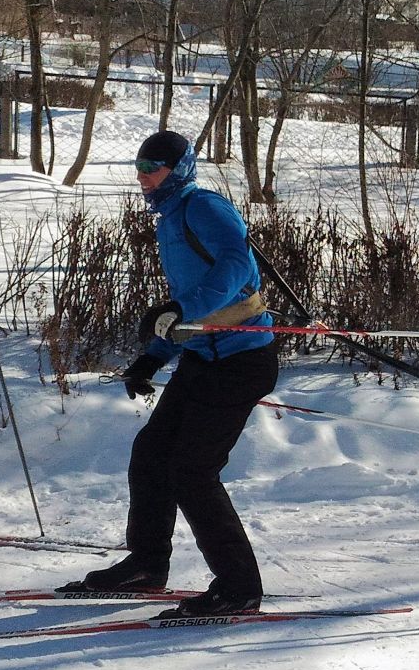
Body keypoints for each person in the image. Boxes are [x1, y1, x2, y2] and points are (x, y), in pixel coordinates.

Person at [64, 130, 278, 618]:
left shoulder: (204, 206)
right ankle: (146, 564)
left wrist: (180, 309)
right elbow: (185, 308)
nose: (143, 176)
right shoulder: (171, 217)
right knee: (151, 454)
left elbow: (234, 266)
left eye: (152, 167)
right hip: (204, 356)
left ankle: (239, 588)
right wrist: (154, 356)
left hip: (241, 361)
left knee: (193, 471)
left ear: (178, 169)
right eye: (138, 166)